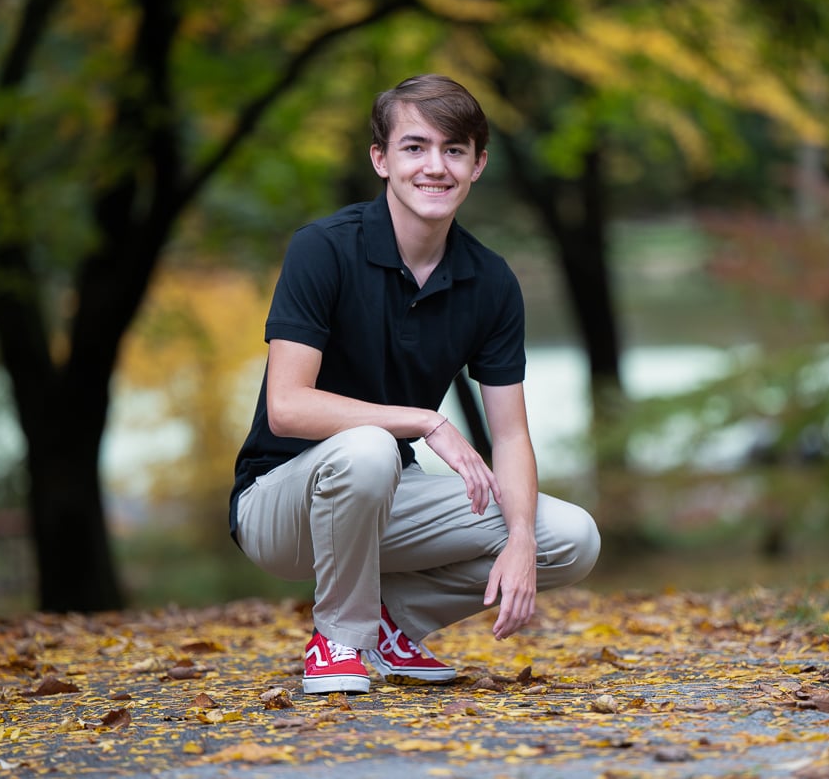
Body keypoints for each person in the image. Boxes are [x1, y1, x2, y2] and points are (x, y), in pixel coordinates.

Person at [228, 74, 601, 694]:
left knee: (568, 538)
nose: (436, 167)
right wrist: (426, 421)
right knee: (372, 446)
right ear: (381, 159)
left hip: (382, 500)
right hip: (278, 506)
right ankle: (338, 640)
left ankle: (390, 622)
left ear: (478, 164)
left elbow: (509, 438)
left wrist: (518, 544)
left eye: (455, 150)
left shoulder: (490, 281)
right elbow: (287, 408)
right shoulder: (322, 249)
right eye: (415, 147)